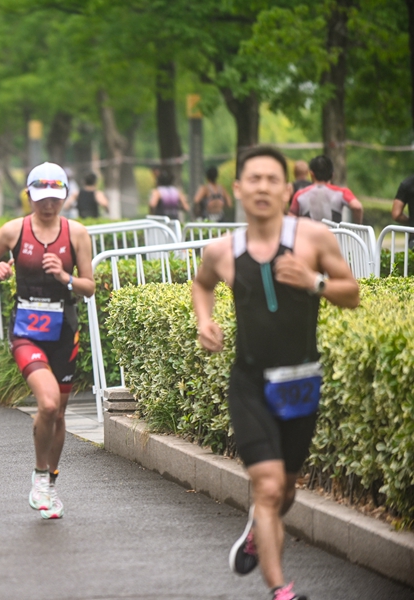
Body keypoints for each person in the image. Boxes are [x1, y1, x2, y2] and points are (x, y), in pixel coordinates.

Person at [192, 146, 359, 600]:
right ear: (238, 189)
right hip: (249, 384)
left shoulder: (313, 238)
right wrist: (204, 321)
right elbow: (202, 284)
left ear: (289, 189)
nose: (263, 187)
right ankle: (281, 590)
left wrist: (314, 282)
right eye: (254, 179)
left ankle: (256, 529)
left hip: (302, 383)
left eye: (273, 179)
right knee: (266, 487)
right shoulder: (222, 250)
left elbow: (352, 293)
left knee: (284, 492)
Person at [0, 162, 94, 519]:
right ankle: (39, 476)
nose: (48, 205)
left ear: (65, 197)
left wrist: (65, 277)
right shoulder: (14, 231)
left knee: (57, 414)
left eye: (55, 198)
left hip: (64, 332)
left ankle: (50, 481)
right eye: (41, 198)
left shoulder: (77, 234)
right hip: (27, 331)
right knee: (45, 405)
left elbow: (89, 285)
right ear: (29, 196)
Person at [289, 155, 363, 224]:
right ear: (332, 175)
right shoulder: (342, 192)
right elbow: (357, 207)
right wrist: (357, 225)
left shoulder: (300, 194)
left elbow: (291, 216)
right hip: (334, 236)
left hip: (309, 236)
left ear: (311, 174)